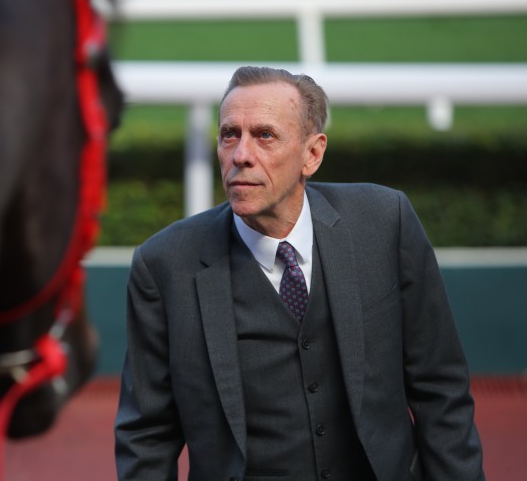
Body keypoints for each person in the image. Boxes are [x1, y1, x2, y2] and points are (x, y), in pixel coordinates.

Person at [114, 66, 485, 481]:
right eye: (229, 134)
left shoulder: (384, 223)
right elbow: (146, 435)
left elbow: (441, 389)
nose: (241, 155)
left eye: (265, 136)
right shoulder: (164, 264)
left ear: (312, 154)